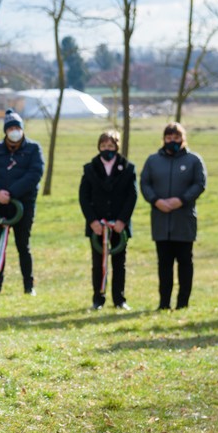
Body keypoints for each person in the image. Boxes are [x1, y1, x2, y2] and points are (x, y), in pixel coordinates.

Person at [140, 122, 206, 310]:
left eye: (176, 137)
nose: (172, 141)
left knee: (185, 262)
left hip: (183, 220)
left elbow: (199, 184)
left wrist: (182, 200)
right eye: (169, 137)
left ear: (183, 139)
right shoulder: (153, 160)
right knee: (164, 264)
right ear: (164, 139)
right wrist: (156, 200)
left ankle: (183, 303)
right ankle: (164, 303)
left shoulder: (193, 160)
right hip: (161, 221)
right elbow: (145, 183)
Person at [0, 108, 44, 295]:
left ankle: (28, 286)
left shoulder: (33, 149)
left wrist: (12, 192)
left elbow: (35, 173)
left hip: (23, 205)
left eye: (17, 128)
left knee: (23, 245)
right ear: (5, 131)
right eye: (11, 128)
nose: (14, 132)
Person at [78, 130, 137, 310]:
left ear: (116, 147)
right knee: (98, 264)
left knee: (119, 263)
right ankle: (98, 299)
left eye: (110, 146)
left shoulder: (127, 168)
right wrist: (93, 221)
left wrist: (122, 221)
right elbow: (84, 197)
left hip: (119, 225)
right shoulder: (90, 169)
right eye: (103, 146)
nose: (107, 149)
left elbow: (132, 196)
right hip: (98, 225)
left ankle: (119, 299)